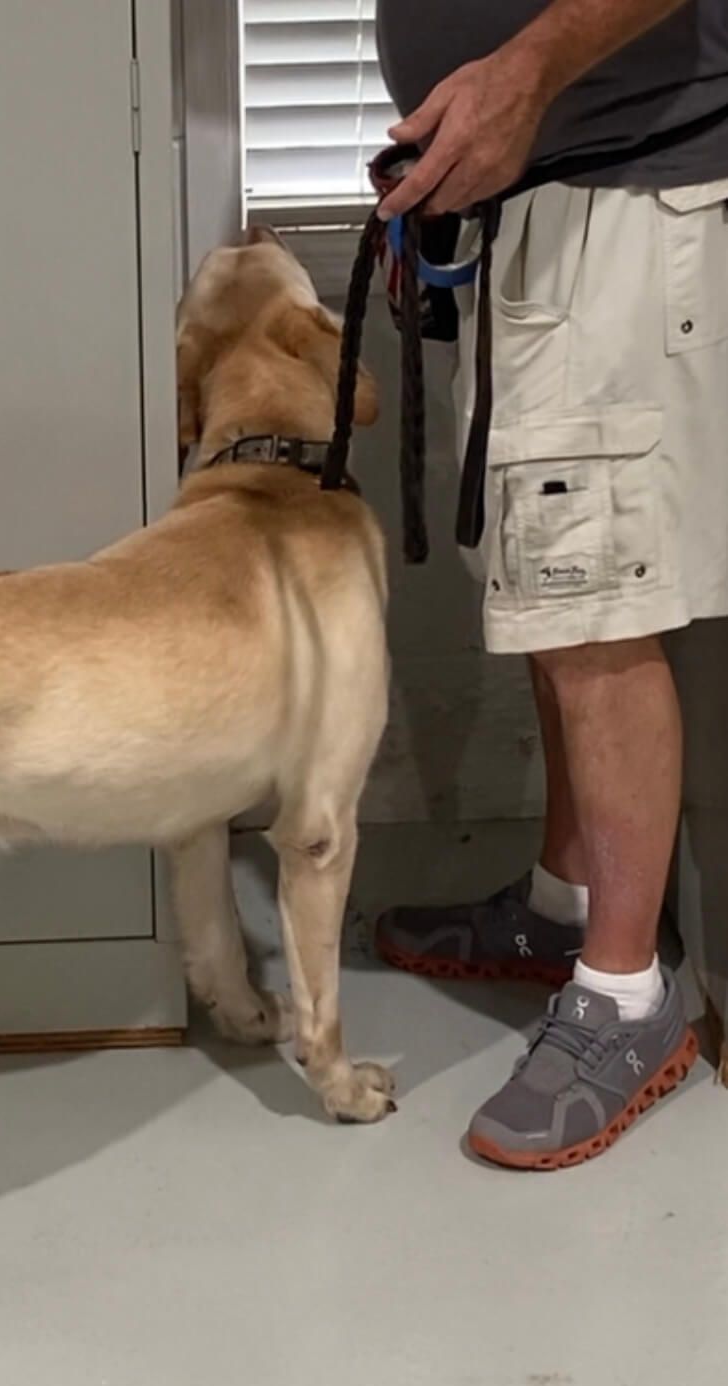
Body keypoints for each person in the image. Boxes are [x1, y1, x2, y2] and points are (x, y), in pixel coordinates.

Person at [370, 0, 728, 1168]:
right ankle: (566, 905)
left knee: (593, 604)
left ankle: (628, 997)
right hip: (538, 200)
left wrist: (526, 67)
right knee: (546, 584)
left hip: (624, 199)